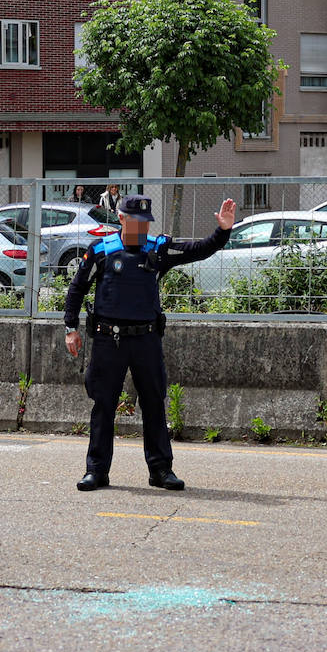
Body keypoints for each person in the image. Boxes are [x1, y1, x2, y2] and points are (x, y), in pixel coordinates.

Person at [63, 194, 237, 491]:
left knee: (154, 404)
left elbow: (199, 250)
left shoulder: (158, 249)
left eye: (146, 223)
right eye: (136, 222)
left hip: (146, 339)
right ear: (120, 218)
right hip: (108, 340)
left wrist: (223, 231)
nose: (142, 228)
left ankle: (160, 470)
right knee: (104, 405)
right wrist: (71, 327)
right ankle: (96, 471)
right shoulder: (102, 250)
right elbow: (77, 289)